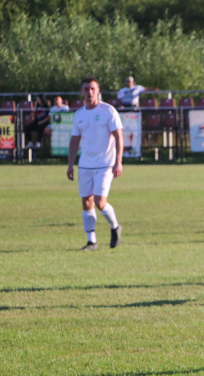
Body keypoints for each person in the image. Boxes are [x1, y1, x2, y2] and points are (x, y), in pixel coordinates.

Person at [66, 77, 124, 251]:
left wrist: (118, 161)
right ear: (82, 91)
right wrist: (70, 164)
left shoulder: (108, 111)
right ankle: (92, 242)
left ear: (98, 90)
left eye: (92, 88)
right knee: (86, 202)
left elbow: (118, 136)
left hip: (105, 164)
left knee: (100, 202)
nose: (89, 92)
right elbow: (75, 140)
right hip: (85, 164)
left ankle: (115, 227)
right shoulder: (79, 114)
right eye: (86, 89)